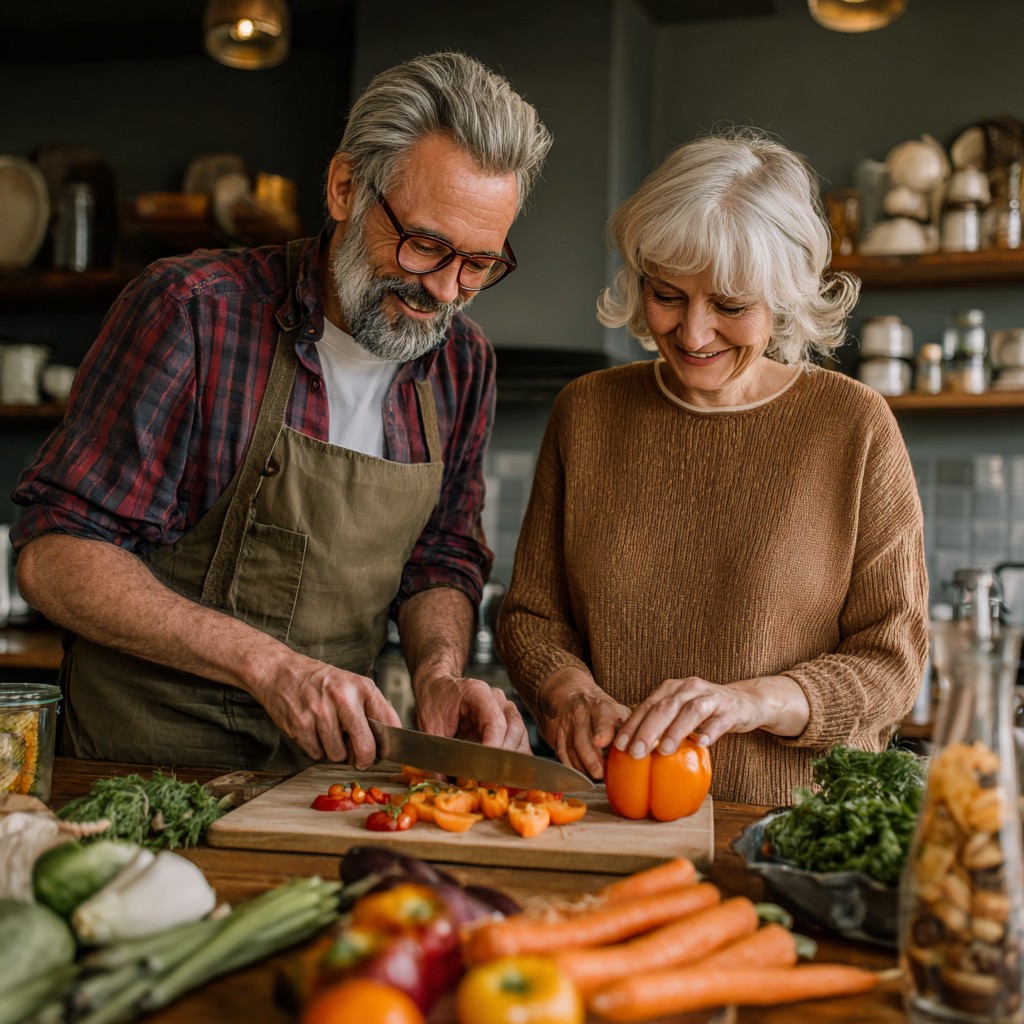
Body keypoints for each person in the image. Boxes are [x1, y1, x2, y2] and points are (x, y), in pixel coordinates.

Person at [13, 52, 552, 772]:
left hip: (322, 784)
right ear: (343, 188)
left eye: (480, 264)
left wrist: (441, 675)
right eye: (426, 246)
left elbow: (441, 556)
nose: (448, 291)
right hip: (143, 776)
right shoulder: (194, 312)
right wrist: (267, 666)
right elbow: (55, 552)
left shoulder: (461, 363)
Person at [497, 130, 928, 806]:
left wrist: (755, 701)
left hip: (790, 835)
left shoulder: (853, 425)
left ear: (783, 298)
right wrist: (569, 693)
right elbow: (531, 617)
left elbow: (893, 661)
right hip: (607, 819)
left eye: (730, 306)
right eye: (667, 294)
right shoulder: (586, 412)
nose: (694, 334)